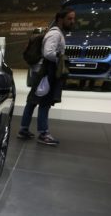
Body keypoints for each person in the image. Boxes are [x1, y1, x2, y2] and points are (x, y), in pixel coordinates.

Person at [17, 7, 75, 146]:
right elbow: (48, 53)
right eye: (69, 18)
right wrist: (61, 58)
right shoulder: (55, 34)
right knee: (45, 102)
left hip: (41, 71)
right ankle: (43, 133)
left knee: (32, 101)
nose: (72, 21)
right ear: (60, 19)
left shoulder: (54, 33)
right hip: (45, 72)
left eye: (73, 19)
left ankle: (24, 129)